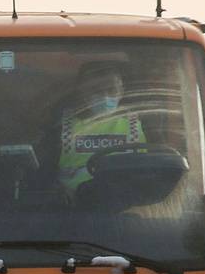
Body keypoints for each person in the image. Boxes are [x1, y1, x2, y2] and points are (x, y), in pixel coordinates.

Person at [56, 62, 147, 198]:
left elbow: (146, 170)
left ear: (121, 91)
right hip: (70, 207)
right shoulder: (61, 125)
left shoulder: (134, 124)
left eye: (111, 90)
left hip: (122, 205)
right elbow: (45, 171)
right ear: (81, 91)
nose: (105, 96)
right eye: (96, 91)